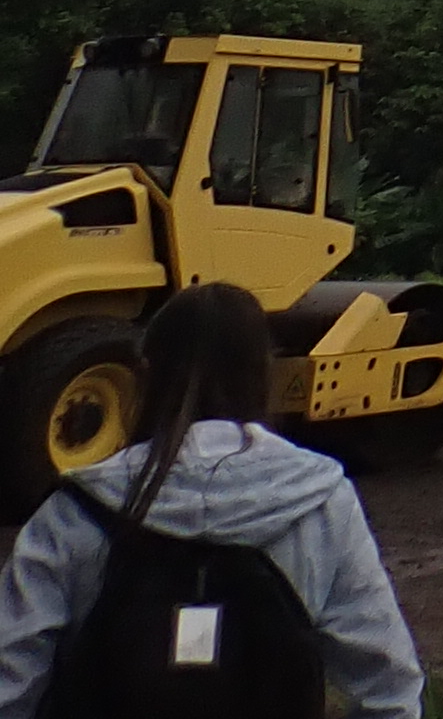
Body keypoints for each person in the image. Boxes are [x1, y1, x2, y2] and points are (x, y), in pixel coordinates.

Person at [0, 286, 420, 718]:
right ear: (263, 372)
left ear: (147, 373)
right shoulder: (322, 499)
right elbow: (388, 682)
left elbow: (10, 676)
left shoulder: (80, 509)